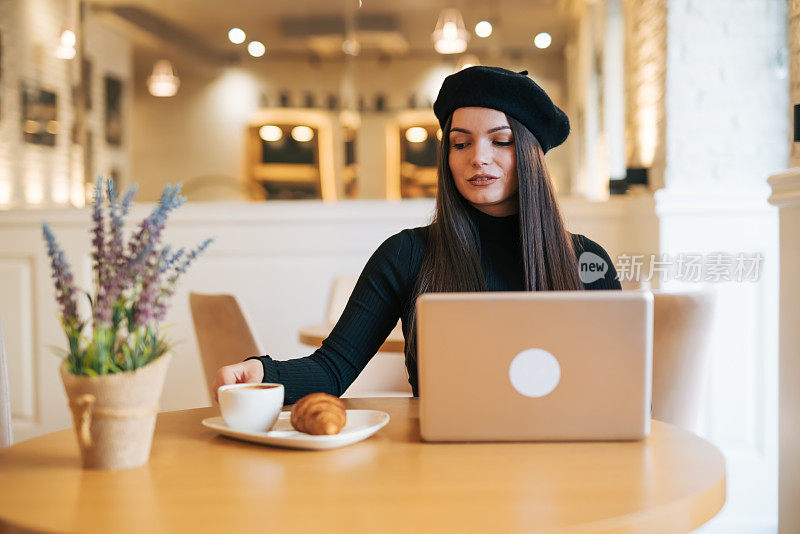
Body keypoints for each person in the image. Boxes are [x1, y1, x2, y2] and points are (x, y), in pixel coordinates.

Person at [212, 66, 621, 404]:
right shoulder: (406, 254)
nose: (478, 157)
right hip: (442, 466)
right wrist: (263, 372)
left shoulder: (587, 260)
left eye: (501, 141)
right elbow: (332, 369)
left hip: (559, 468)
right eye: (460, 143)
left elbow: (617, 389)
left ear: (531, 154)